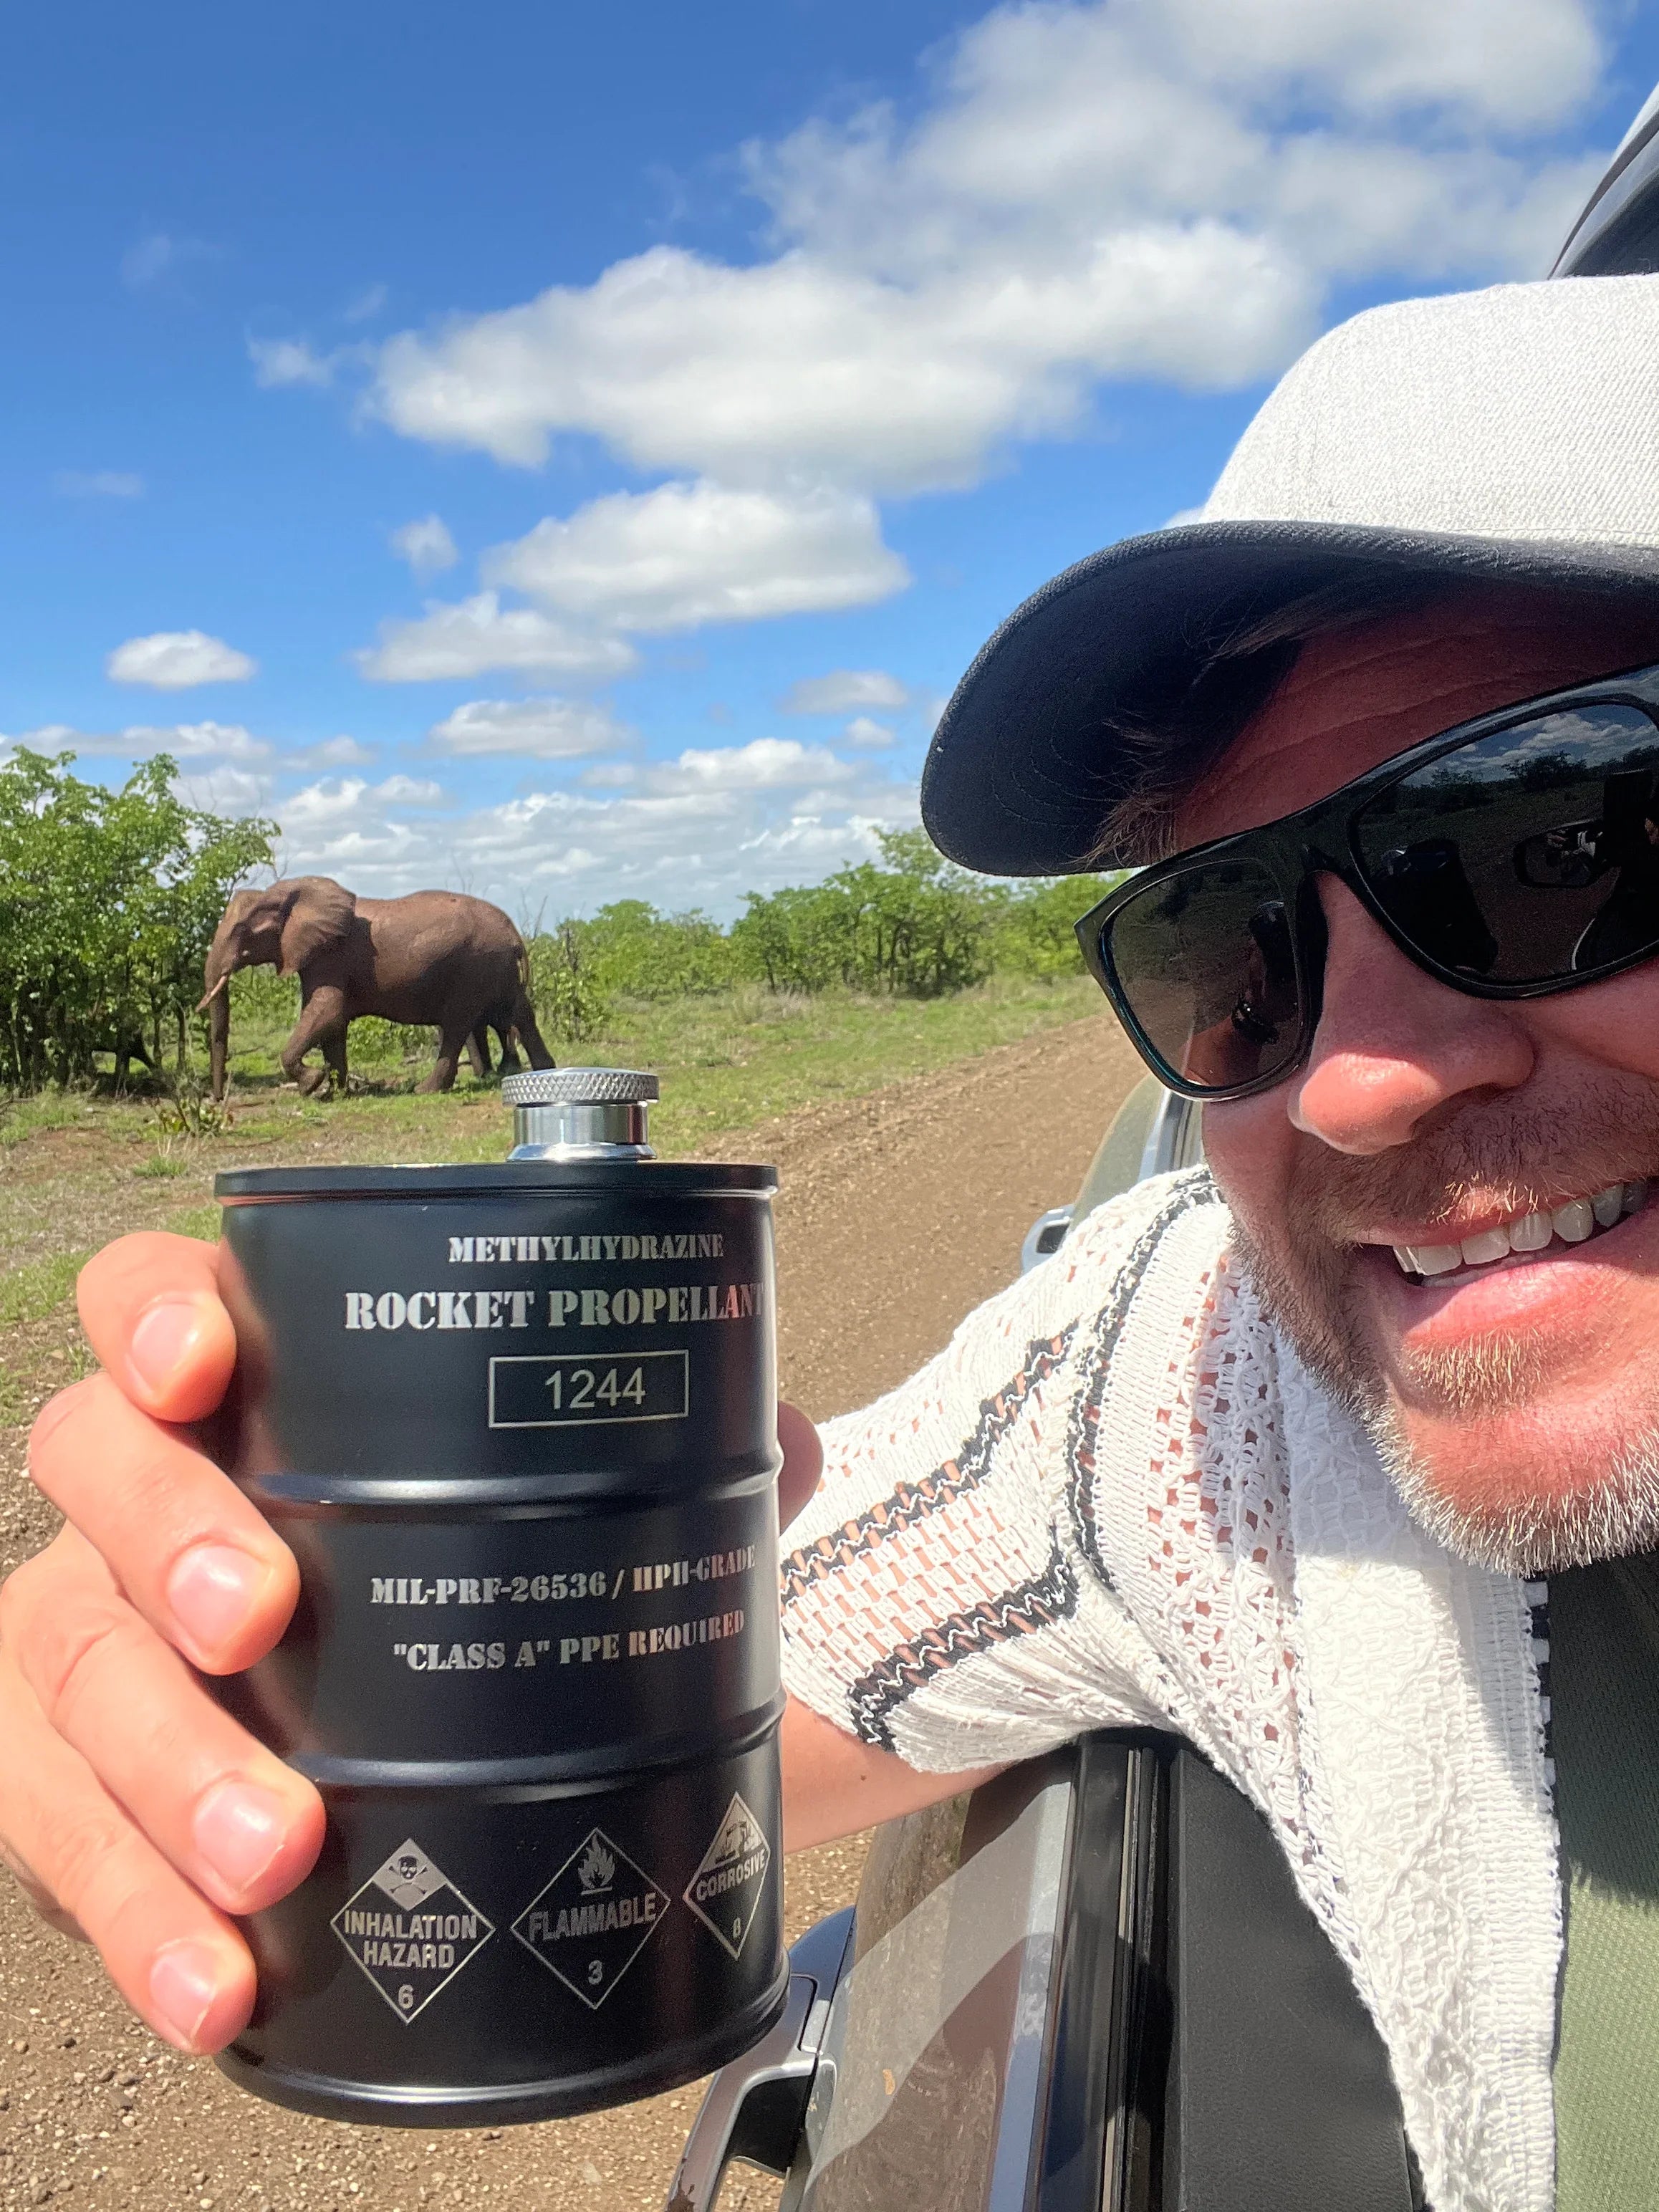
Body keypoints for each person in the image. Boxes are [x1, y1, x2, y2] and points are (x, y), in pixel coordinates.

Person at [9, 273, 1659, 2212]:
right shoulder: (1211, 1409)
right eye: (1227, 942)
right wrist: (185, 1685)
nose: (1354, 1086)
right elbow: (630, 1707)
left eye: (1557, 835)